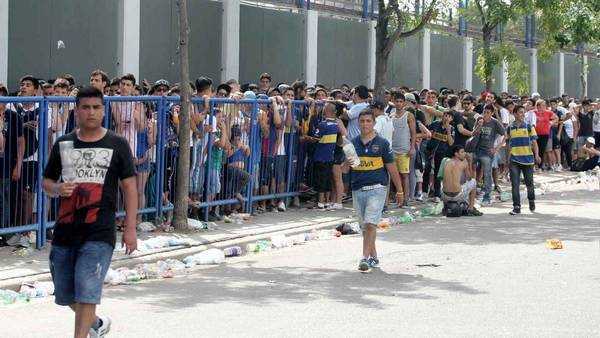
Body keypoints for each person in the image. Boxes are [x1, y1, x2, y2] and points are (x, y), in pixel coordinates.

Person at [42, 86, 138, 338]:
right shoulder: (64, 144)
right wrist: (58, 188)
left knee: (87, 289)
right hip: (65, 230)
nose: (91, 112)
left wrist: (130, 228)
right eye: (85, 107)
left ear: (104, 111)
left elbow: (129, 187)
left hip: (99, 232)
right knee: (65, 294)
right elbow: (46, 182)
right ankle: (95, 324)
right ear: (77, 111)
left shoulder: (117, 144)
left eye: (96, 107)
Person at [351, 109, 403, 273]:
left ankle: (364, 258)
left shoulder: (382, 143)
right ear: (358, 123)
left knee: (370, 223)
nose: (365, 124)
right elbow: (347, 168)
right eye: (362, 121)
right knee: (365, 227)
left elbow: (392, 168)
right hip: (358, 189)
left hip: (378, 188)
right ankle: (373, 256)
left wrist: (400, 190)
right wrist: (346, 158)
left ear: (374, 123)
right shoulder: (353, 142)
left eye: (368, 121)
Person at [506, 105, 541, 215]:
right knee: (515, 184)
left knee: (529, 183)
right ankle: (516, 207)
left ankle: (531, 200)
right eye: (520, 112)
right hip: (514, 159)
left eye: (523, 112)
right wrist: (508, 157)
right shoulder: (510, 128)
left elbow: (534, 142)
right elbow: (508, 144)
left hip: (528, 159)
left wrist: (537, 155)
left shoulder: (529, 127)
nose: (522, 114)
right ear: (515, 114)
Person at [473, 104, 505, 206]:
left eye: (488, 112)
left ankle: (487, 196)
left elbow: (505, 134)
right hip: (476, 149)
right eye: (484, 112)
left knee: (487, 173)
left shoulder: (495, 122)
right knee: (472, 170)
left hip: (487, 151)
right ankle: (473, 193)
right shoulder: (479, 120)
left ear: (491, 113)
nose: (485, 114)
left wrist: (496, 148)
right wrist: (479, 125)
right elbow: (473, 133)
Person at [389, 92, 416, 205]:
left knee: (404, 175)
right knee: (393, 176)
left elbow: (413, 132)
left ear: (404, 103)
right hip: (392, 149)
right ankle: (395, 197)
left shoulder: (409, 115)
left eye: (401, 102)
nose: (399, 104)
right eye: (397, 101)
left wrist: (412, 147)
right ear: (394, 102)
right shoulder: (391, 115)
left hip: (405, 150)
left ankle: (405, 199)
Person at [440, 145, 483, 216]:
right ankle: (471, 209)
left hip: (444, 196)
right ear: (456, 154)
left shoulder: (446, 161)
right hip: (457, 196)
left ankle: (445, 206)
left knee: (445, 183)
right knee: (473, 182)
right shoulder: (464, 163)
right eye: (462, 152)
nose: (465, 154)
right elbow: (469, 178)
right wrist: (469, 162)